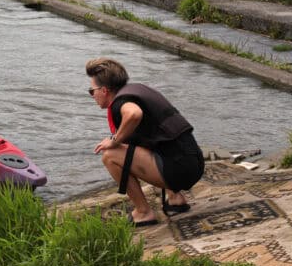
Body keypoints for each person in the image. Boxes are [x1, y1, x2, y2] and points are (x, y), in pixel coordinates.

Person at [85, 57, 204, 227]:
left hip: (179, 170)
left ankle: (143, 212)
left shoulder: (121, 102)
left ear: (104, 90)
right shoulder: (137, 89)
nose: (92, 95)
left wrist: (114, 140)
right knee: (137, 143)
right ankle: (175, 198)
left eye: (92, 91)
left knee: (110, 155)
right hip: (194, 162)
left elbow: (134, 114)